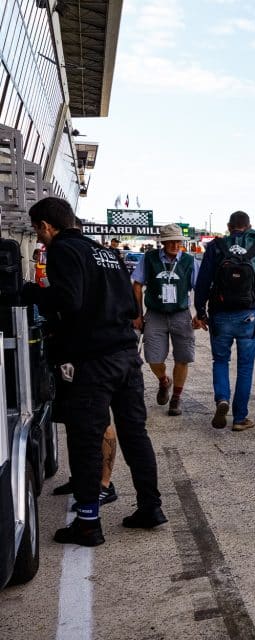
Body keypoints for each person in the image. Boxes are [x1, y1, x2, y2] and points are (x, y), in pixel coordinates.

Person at [21, 197, 164, 547]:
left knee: (85, 440)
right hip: (126, 356)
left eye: (39, 233)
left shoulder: (63, 251)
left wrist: (30, 292)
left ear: (46, 226)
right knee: (135, 434)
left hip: (92, 361)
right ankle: (150, 507)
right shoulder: (106, 253)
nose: (39, 241)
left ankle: (88, 525)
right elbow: (132, 305)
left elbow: (68, 300)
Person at [194, 211, 255, 431]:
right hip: (247, 315)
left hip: (220, 314)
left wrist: (200, 312)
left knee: (220, 361)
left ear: (228, 226)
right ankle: (240, 419)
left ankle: (222, 400)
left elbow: (202, 283)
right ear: (249, 226)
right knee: (245, 367)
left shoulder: (216, 247)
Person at [131, 224, 199, 416]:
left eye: (178, 241)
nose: (175, 245)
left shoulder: (188, 261)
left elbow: (200, 287)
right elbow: (137, 286)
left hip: (180, 313)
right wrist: (138, 314)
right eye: (171, 241)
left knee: (183, 357)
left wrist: (200, 314)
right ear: (163, 242)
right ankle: (163, 380)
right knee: (152, 357)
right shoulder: (149, 258)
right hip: (155, 314)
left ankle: (176, 397)